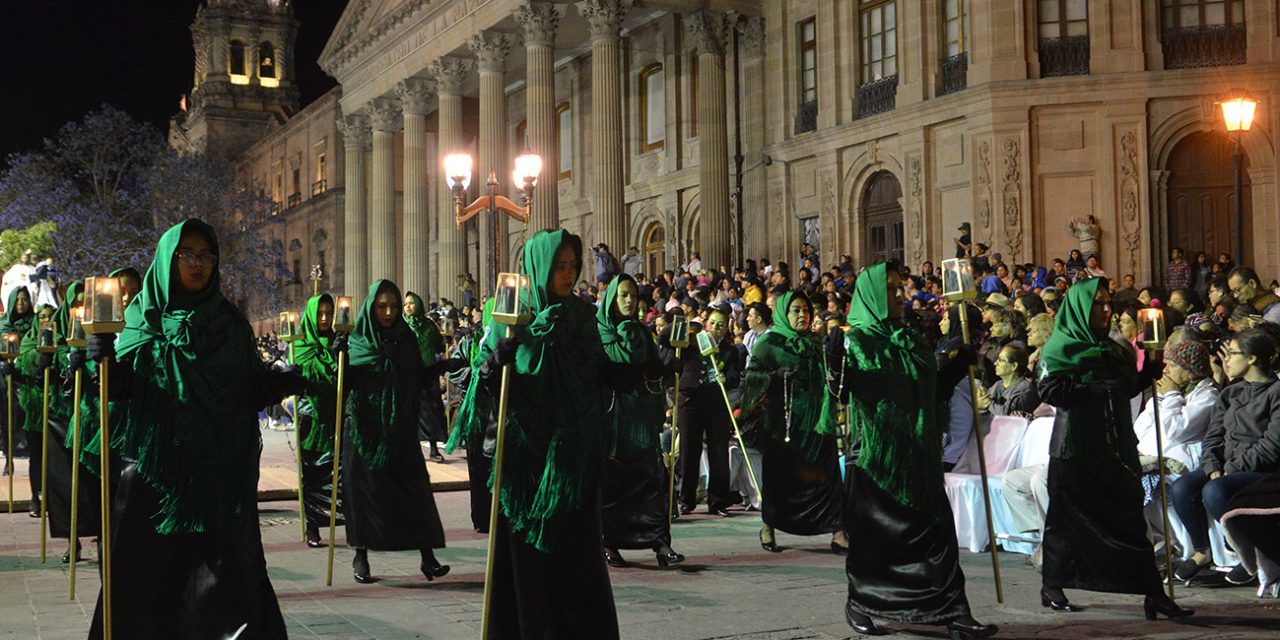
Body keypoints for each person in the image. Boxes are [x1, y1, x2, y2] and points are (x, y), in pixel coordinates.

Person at [88, 219, 304, 639]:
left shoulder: (230, 322)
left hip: (219, 476)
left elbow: (247, 389)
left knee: (226, 583)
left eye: (206, 256)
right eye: (187, 255)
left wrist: (284, 382)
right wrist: (101, 359)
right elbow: (121, 391)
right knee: (147, 582)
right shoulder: (142, 318)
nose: (198, 264)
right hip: (156, 477)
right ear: (168, 260)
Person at [462, 229, 620, 639]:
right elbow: (480, 382)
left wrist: (628, 370)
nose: (568, 274)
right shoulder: (511, 316)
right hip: (526, 466)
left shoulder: (582, 317)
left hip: (572, 463)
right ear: (539, 268)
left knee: (577, 560)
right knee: (528, 564)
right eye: (558, 266)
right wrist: (495, 362)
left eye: (573, 266)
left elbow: (596, 373)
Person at [828, 262, 995, 639]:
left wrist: (955, 367)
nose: (899, 295)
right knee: (877, 543)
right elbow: (842, 393)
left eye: (899, 287)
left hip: (919, 456)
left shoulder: (910, 339)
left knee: (937, 537)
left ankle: (954, 611)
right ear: (872, 295)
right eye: (889, 289)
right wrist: (834, 364)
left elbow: (929, 393)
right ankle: (863, 603)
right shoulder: (857, 341)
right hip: (877, 459)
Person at [1035, 277, 1192, 619]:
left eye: (1108, 303)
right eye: (1098, 303)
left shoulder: (1114, 349)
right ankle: (1052, 584)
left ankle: (1154, 593)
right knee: (1065, 522)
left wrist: (1147, 371)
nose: (1106, 309)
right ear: (1079, 307)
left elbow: (1126, 388)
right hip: (1075, 449)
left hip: (1116, 448)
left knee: (1129, 519)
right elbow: (1049, 391)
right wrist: (1088, 391)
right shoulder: (1059, 348)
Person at [341, 280, 458, 584]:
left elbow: (417, 378)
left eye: (394, 306)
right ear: (371, 308)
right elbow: (341, 384)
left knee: (414, 492)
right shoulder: (356, 342)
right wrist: (337, 359)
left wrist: (443, 366)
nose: (389, 312)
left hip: (400, 430)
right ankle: (360, 555)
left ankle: (428, 557)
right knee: (364, 496)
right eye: (382, 306)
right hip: (365, 431)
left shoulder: (406, 339)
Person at [1169, 328, 1280, 583]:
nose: (1225, 360)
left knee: (1215, 490)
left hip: (1262, 470)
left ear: (1251, 358)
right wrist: (1212, 466)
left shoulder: (1275, 392)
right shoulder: (1230, 393)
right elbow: (1213, 436)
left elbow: (1271, 445)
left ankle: (1253, 553)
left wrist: (1231, 468)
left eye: (1231, 353)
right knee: (1182, 487)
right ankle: (1202, 549)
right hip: (1227, 465)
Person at [742, 291, 846, 554]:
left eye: (806, 310)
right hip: (783, 424)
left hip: (817, 422)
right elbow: (751, 379)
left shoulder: (815, 342)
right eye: (796, 310)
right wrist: (774, 377)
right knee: (780, 477)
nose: (803, 315)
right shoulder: (769, 344)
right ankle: (768, 525)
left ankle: (838, 531)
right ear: (784, 314)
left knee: (828, 476)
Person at [597, 274, 684, 569]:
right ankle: (609, 542)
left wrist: (669, 365)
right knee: (615, 483)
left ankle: (661, 543)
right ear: (611, 299)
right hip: (612, 420)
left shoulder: (642, 333)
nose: (629, 300)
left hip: (639, 420)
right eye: (623, 295)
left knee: (650, 478)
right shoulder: (598, 333)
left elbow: (653, 371)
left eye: (633, 295)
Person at [662, 305, 742, 517]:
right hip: (691, 402)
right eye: (712, 323)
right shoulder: (691, 342)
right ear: (706, 324)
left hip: (717, 403)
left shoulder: (730, 350)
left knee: (718, 452)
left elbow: (735, 377)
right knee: (689, 451)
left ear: (726, 329)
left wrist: (726, 378)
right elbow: (664, 340)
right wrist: (681, 323)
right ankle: (686, 500)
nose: (716, 328)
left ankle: (717, 501)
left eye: (721, 325)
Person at [291, 294, 343, 548]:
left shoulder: (339, 342)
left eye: (329, 313)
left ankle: (342, 520)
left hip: (336, 417)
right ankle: (312, 525)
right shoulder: (300, 345)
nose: (325, 318)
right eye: (320, 313)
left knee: (339, 473)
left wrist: (340, 356)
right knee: (312, 474)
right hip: (311, 421)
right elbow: (307, 379)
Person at [403, 291, 448, 462]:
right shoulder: (401, 325)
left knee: (431, 411)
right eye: (405, 304)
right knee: (410, 412)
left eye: (411, 303)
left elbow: (438, 345)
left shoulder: (429, 326)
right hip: (408, 373)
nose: (408, 306)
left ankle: (433, 447)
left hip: (428, 374)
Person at [0, 287, 35, 489]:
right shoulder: (4, 325)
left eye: (25, 300)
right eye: (18, 300)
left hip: (27, 375)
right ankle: (8, 455)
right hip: (6, 375)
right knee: (8, 414)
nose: (21, 304)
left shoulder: (34, 324)